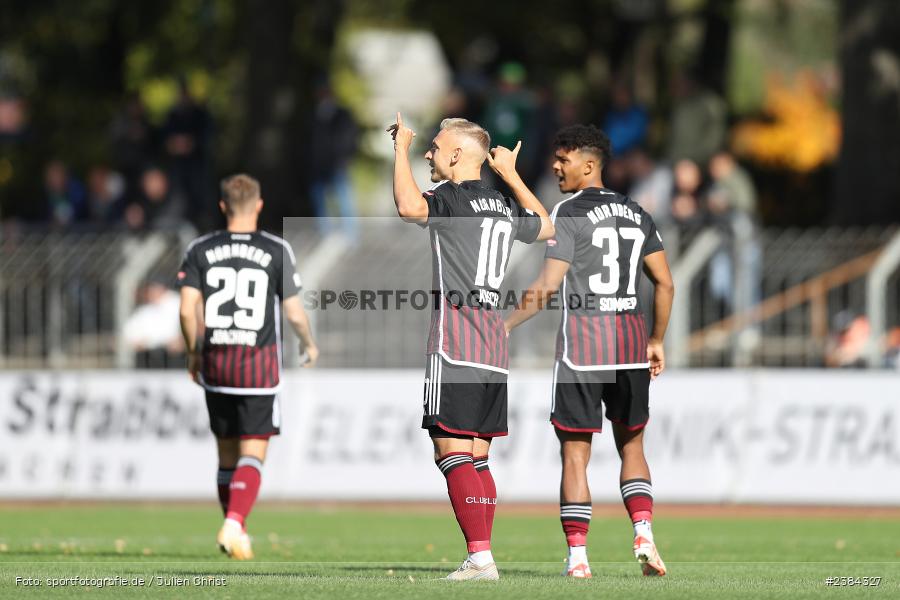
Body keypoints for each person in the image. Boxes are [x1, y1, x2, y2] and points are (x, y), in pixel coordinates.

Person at [387, 113, 553, 580]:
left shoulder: (451, 197)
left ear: (457, 155)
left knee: (450, 450)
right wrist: (513, 175)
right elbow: (544, 226)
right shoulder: (501, 204)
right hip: (493, 345)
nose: (429, 154)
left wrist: (399, 150)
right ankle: (481, 555)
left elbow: (407, 206)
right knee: (477, 455)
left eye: (435, 148)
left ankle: (480, 557)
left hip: (455, 336)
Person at [504, 124, 675, 578]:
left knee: (575, 453)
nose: (555, 166)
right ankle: (644, 534)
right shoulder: (637, 212)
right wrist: (656, 339)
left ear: (590, 164)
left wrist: (502, 325)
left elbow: (545, 287)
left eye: (563, 159)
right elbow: (665, 282)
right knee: (633, 445)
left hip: (583, 348)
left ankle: (578, 559)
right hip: (632, 347)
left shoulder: (568, 212)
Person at [177, 174, 319, 560]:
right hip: (258, 368)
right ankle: (235, 523)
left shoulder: (200, 248)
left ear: (223, 206)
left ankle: (236, 529)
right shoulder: (276, 249)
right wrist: (308, 343)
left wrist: (193, 352)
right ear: (258, 205)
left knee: (225, 457)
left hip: (216, 365)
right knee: (252, 454)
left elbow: (186, 309)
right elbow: (293, 311)